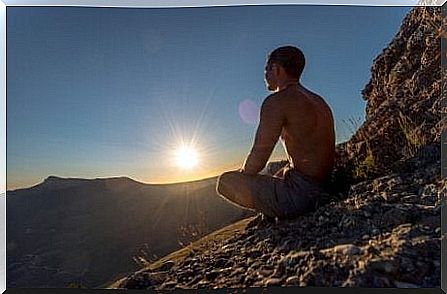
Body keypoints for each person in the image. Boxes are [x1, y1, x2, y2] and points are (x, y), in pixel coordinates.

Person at [216, 45, 335, 222]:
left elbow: (259, 155)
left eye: (266, 69)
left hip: (303, 196)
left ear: (276, 69)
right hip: (327, 184)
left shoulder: (276, 102)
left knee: (225, 182)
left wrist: (243, 175)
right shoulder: (318, 101)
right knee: (276, 170)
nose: (265, 76)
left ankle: (278, 209)